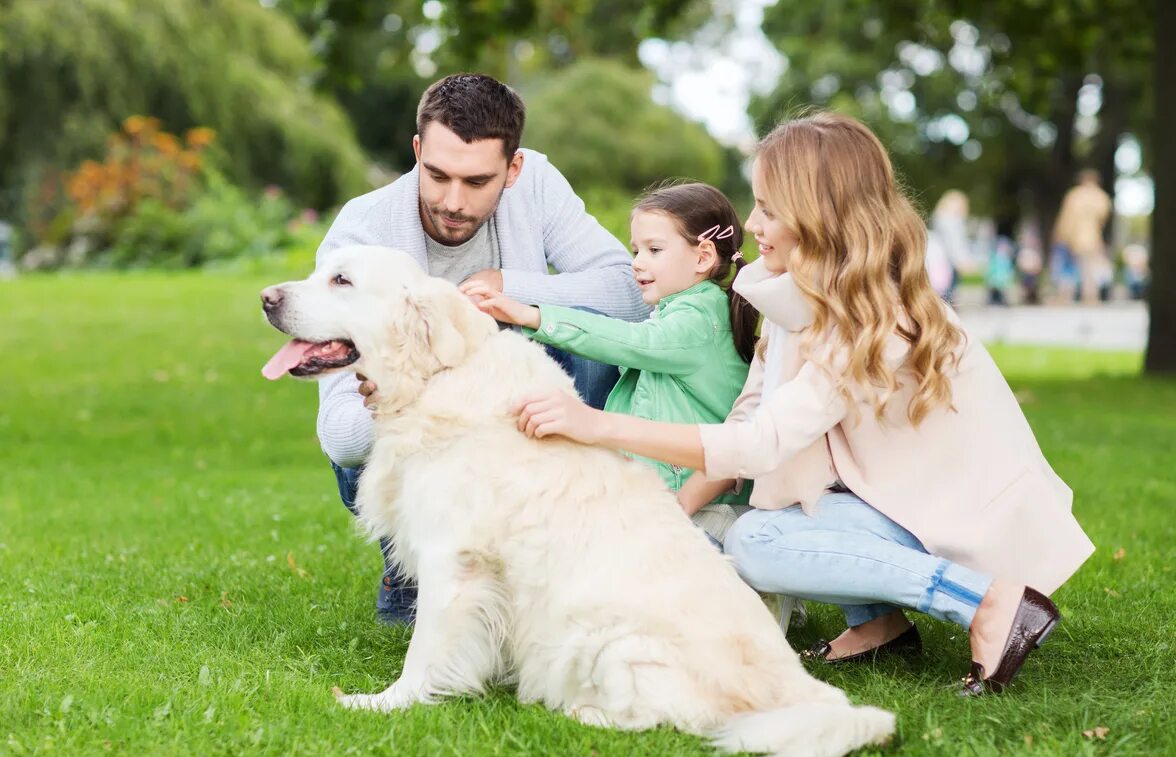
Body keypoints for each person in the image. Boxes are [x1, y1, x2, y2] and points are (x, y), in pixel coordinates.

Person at [510, 113, 1095, 696]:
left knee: (759, 541)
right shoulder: (797, 291)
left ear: (820, 215)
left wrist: (599, 425)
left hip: (953, 512)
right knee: (750, 527)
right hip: (886, 498)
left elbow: (763, 445)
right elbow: (749, 415)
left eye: (769, 208)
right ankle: (878, 626)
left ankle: (988, 604)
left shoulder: (875, 314)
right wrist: (673, 507)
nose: (753, 222)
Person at [315, 73, 648, 625]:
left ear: (512, 170)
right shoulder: (362, 234)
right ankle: (412, 569)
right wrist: (405, 385)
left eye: (476, 182)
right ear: (417, 150)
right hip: (431, 434)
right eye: (437, 175)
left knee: (588, 334)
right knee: (368, 432)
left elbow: (631, 294)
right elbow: (342, 438)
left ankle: (564, 552)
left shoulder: (536, 183)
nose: (452, 201)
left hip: (519, 411)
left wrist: (512, 289)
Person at [463, 182, 757, 545]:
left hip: (707, 511)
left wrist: (530, 315)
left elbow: (626, 341)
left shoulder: (699, 318)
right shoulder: (680, 312)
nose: (637, 263)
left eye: (654, 250)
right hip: (672, 499)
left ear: (702, 257)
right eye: (636, 250)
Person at [1052, 169, 1113, 305]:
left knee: (1068, 267)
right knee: (1089, 268)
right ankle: (1090, 296)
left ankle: (1065, 295)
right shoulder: (1101, 197)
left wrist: (1061, 234)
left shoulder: (1074, 195)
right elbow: (1103, 216)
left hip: (1073, 236)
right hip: (1092, 235)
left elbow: (1066, 218)